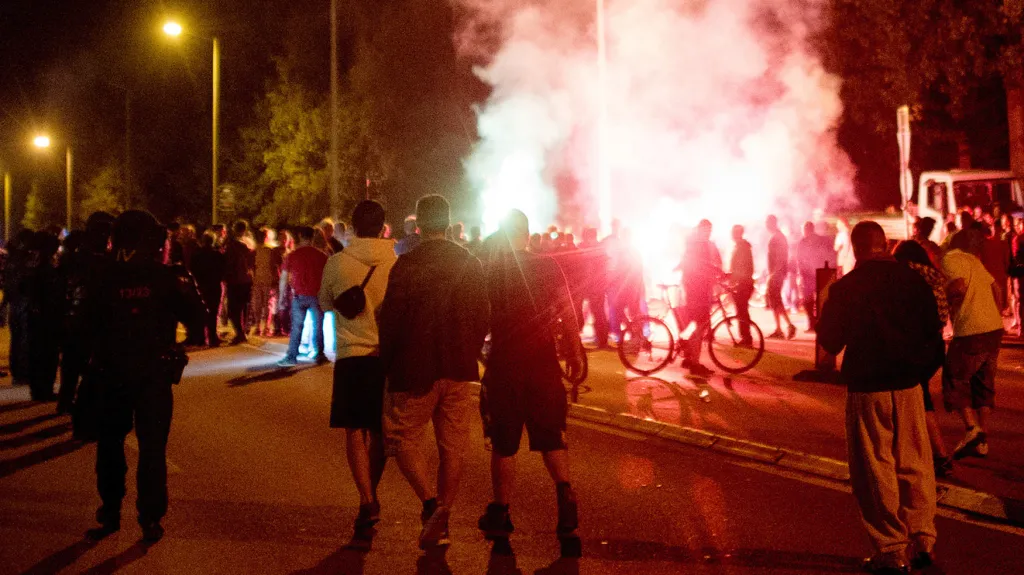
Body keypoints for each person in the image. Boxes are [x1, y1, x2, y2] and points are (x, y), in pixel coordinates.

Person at [817, 221, 941, 574]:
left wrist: (827, 300)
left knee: (875, 468)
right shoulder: (913, 280)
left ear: (855, 249)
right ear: (884, 245)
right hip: (909, 386)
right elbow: (933, 333)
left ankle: (892, 548)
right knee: (915, 463)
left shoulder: (846, 288)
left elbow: (830, 343)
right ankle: (923, 539)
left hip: (868, 388)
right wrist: (919, 373)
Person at [84, 210, 206, 543]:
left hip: (111, 372)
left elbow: (82, 327)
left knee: (110, 445)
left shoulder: (103, 277)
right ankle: (150, 518)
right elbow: (198, 321)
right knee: (152, 448)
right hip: (153, 373)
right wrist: (178, 344)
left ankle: (110, 511)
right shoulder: (166, 277)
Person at [378, 194, 489, 549]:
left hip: (416, 366)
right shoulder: (469, 262)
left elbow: (391, 321)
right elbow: (482, 315)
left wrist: (388, 364)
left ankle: (430, 504)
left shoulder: (407, 265)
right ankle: (444, 514)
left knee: (400, 438)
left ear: (420, 225)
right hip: (458, 366)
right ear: (450, 222)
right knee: (452, 447)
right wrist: (470, 351)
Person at [477, 209, 583, 552]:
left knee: (504, 443)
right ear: (527, 233)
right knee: (551, 437)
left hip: (505, 366)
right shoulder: (549, 266)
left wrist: (478, 353)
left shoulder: (491, 272)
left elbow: (480, 320)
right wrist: (575, 353)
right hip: (544, 366)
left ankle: (502, 512)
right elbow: (568, 312)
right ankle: (565, 493)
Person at [319, 200, 397, 537]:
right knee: (380, 430)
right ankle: (371, 493)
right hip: (387, 356)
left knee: (355, 430)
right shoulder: (397, 263)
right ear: (384, 228)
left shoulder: (337, 263)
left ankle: (367, 498)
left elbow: (324, 302)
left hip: (352, 355)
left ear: (352, 227)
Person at [941, 228, 1004, 460]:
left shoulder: (950, 258)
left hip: (971, 330)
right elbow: (995, 288)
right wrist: (994, 315)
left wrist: (941, 294)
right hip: (993, 329)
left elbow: (957, 287)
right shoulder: (973, 260)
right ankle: (982, 439)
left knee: (954, 378)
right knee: (983, 383)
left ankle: (971, 428)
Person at [893, 241, 954, 478]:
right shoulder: (933, 276)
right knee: (917, 396)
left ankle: (939, 456)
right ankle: (923, 453)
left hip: (919, 345)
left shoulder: (910, 277)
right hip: (935, 345)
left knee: (917, 398)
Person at [57, 212, 115, 414]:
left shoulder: (80, 258)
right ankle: (76, 404)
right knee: (81, 364)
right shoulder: (90, 259)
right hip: (85, 317)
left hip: (82, 317)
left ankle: (70, 401)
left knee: (75, 363)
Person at [277, 227, 329, 367]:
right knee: (318, 326)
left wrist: (281, 297)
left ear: (300, 236)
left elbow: (283, 278)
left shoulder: (293, 255)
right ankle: (319, 354)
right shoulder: (321, 255)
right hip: (317, 295)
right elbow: (328, 277)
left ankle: (292, 356)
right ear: (312, 237)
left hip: (299, 296)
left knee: (296, 327)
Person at [675, 220, 721, 376]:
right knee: (700, 326)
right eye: (706, 230)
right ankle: (694, 363)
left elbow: (687, 262)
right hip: (698, 291)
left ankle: (689, 357)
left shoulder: (695, 244)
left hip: (696, 289)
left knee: (695, 325)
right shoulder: (699, 245)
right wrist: (718, 272)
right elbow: (701, 265)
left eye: (710, 230)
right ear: (700, 230)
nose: (708, 233)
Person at [796, 221, 835, 332]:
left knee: (813, 300)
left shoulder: (810, 241)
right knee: (814, 300)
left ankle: (815, 323)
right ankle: (816, 323)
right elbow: (800, 259)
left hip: (814, 273)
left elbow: (799, 259)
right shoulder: (812, 241)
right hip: (814, 274)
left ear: (807, 229)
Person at [190, 232, 226, 348]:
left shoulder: (197, 255)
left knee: (201, 310)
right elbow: (223, 269)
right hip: (214, 285)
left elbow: (192, 269)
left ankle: (202, 337)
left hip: (201, 285)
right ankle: (212, 337)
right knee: (213, 311)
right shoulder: (217, 255)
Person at [223, 220, 254, 344]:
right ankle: (243, 332)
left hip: (235, 280)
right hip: (247, 279)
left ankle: (240, 333)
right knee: (244, 307)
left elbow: (229, 262)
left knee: (233, 309)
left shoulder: (232, 245)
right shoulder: (250, 243)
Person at [766, 215, 797, 339]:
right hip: (777, 273)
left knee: (776, 300)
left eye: (767, 223)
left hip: (776, 273)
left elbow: (780, 257)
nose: (766, 225)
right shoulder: (778, 237)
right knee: (775, 301)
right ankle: (779, 328)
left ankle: (787, 326)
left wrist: (774, 273)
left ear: (772, 223)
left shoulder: (777, 237)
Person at [578, 227, 609, 348]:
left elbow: (593, 270)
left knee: (598, 313)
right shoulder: (597, 249)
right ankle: (601, 339)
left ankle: (602, 340)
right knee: (598, 313)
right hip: (594, 287)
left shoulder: (594, 250)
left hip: (595, 287)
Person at [250, 228, 282, 337]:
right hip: (266, 280)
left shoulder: (256, 250)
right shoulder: (271, 250)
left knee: (260, 304)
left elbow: (252, 267)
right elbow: (278, 266)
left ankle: (261, 326)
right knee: (265, 304)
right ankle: (264, 326)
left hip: (261, 280)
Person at [728, 225, 755, 346]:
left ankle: (746, 337)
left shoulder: (742, 248)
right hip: (743, 283)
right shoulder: (742, 247)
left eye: (733, 232)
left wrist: (734, 279)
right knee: (742, 311)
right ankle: (746, 337)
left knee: (742, 310)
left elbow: (742, 268)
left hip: (742, 284)